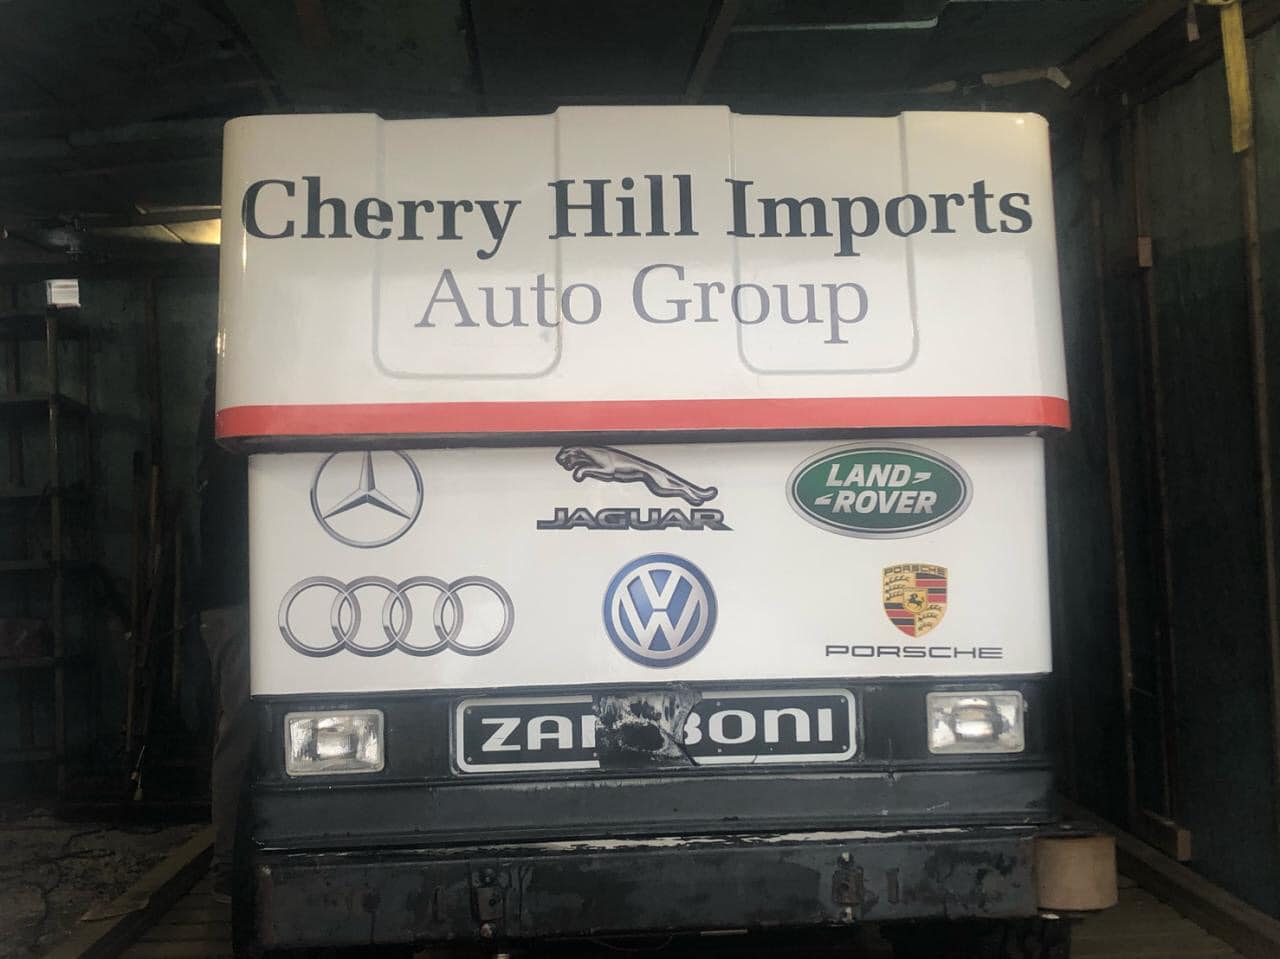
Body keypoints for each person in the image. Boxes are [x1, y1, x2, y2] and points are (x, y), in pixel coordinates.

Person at [196, 359, 251, 904]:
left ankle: (232, 861)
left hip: (237, 602)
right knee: (243, 729)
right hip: (239, 604)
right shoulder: (232, 444)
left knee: (243, 729)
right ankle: (228, 866)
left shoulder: (219, 440)